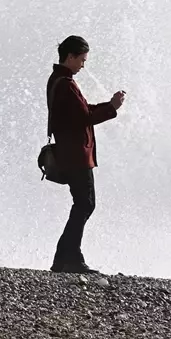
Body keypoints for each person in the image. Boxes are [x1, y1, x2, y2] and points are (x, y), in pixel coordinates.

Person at [46, 35, 125, 274]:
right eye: (81, 59)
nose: (83, 65)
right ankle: (69, 257)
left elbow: (83, 112)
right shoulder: (66, 83)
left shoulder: (59, 80)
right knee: (85, 204)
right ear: (70, 57)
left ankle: (64, 258)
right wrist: (112, 107)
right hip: (76, 155)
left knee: (83, 204)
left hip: (72, 154)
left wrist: (109, 107)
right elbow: (85, 117)